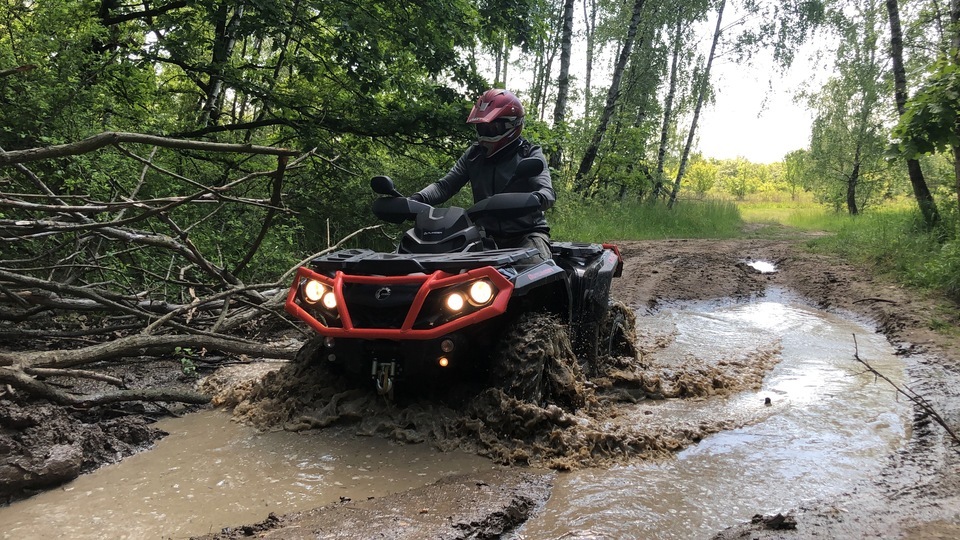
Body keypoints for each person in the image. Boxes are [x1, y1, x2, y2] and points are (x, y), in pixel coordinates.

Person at [409, 88, 556, 264]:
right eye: (482, 127)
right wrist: (415, 199)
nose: (486, 133)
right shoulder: (474, 155)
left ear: (512, 125)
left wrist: (535, 199)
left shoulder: (529, 153)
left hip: (526, 235)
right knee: (444, 267)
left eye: (492, 127)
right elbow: (445, 186)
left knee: (535, 269)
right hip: (484, 235)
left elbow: (547, 192)